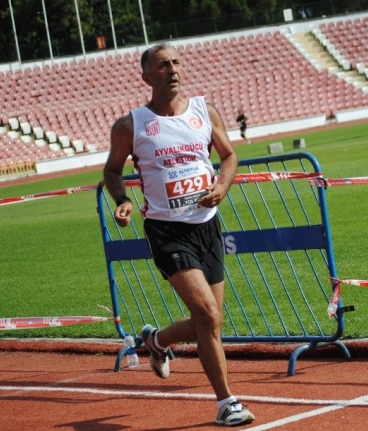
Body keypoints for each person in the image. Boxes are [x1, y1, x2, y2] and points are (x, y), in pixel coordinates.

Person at [103, 42, 255, 427]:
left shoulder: (205, 111)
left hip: (208, 226)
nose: (172, 69)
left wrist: (222, 186)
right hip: (167, 232)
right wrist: (121, 200)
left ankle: (157, 341)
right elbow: (113, 171)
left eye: (175, 62)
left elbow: (229, 156)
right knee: (206, 312)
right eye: (162, 65)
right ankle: (226, 403)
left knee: (211, 319)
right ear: (146, 76)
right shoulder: (131, 125)